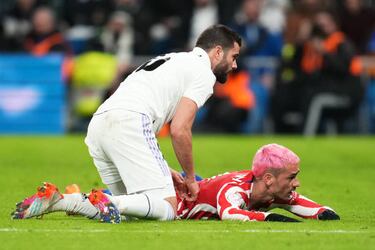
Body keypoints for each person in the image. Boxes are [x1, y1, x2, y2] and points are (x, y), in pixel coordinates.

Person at [11, 144, 339, 222]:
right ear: (268, 178)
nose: (296, 183)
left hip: (187, 185)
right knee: (123, 211)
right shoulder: (235, 190)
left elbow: (298, 201)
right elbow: (230, 214)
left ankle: (60, 198)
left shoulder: (265, 187)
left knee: (109, 203)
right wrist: (270, 219)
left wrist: (324, 212)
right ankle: (72, 198)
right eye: (292, 176)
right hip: (175, 201)